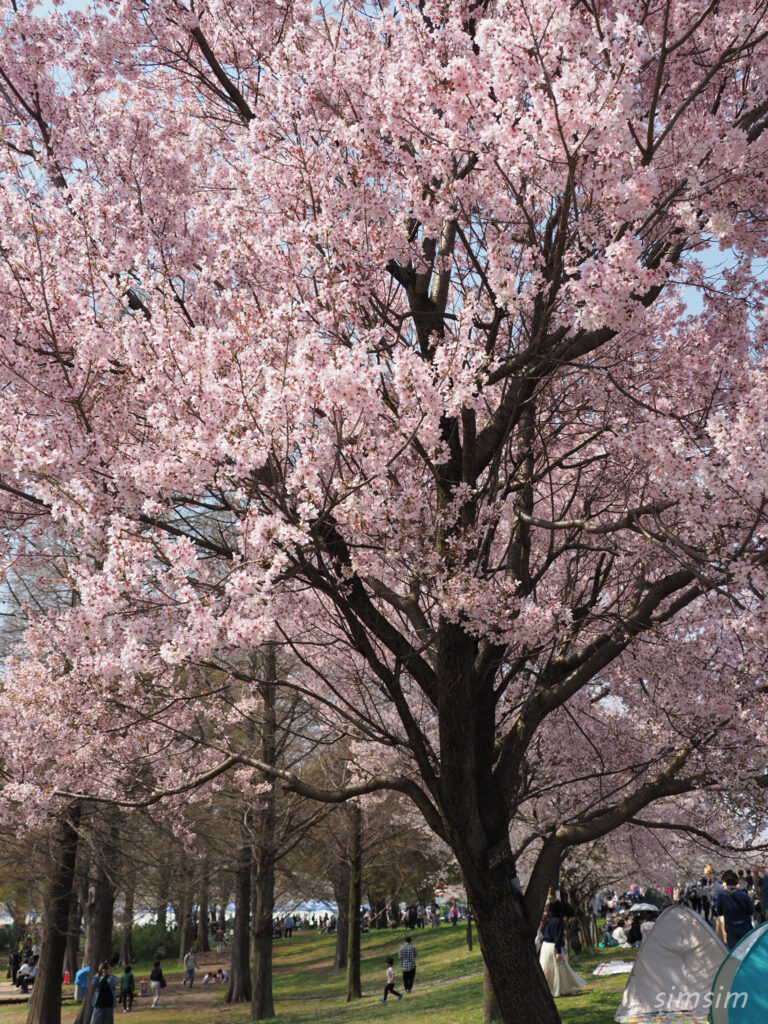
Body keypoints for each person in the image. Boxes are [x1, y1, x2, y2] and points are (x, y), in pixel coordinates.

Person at [538, 900, 586, 998]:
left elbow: (542, 931)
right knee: (559, 969)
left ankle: (548, 989)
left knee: (546, 968)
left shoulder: (546, 919)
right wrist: (558, 952)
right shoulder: (557, 921)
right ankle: (562, 989)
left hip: (545, 947)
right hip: (554, 947)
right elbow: (558, 938)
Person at [715, 870, 754, 949]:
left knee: (734, 954)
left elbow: (719, 912)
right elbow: (751, 911)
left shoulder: (721, 896)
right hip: (745, 928)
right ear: (737, 882)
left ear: (726, 882)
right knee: (746, 952)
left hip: (731, 930)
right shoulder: (744, 895)